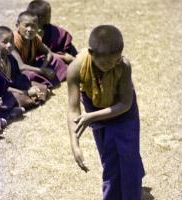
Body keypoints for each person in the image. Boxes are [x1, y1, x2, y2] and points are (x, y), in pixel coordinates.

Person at [67, 25, 145, 200]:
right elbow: (73, 109)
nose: (110, 66)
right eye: (104, 63)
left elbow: (125, 103)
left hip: (123, 113)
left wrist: (92, 117)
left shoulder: (123, 66)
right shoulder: (75, 68)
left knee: (128, 155)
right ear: (91, 52)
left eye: (114, 61)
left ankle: (134, 193)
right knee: (110, 160)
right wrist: (75, 144)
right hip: (95, 111)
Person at [0, 26, 48, 110]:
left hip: (14, 86)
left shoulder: (11, 58)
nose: (9, 45)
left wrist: (28, 87)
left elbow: (18, 76)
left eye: (11, 41)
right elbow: (3, 87)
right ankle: (28, 100)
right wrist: (26, 92)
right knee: (15, 98)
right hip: (2, 93)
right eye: (5, 42)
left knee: (40, 87)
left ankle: (32, 98)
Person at [12, 10, 67, 87]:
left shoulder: (35, 38)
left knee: (56, 59)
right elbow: (21, 67)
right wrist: (41, 71)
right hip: (18, 72)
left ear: (37, 27)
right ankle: (44, 83)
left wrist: (43, 67)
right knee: (28, 75)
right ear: (17, 25)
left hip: (33, 67)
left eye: (33, 26)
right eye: (26, 25)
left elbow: (48, 52)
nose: (30, 29)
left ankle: (51, 79)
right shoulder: (12, 41)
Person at [27, 0, 77, 64]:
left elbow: (69, 50)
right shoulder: (28, 34)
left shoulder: (59, 32)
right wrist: (63, 57)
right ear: (42, 18)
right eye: (49, 14)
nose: (50, 16)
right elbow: (38, 56)